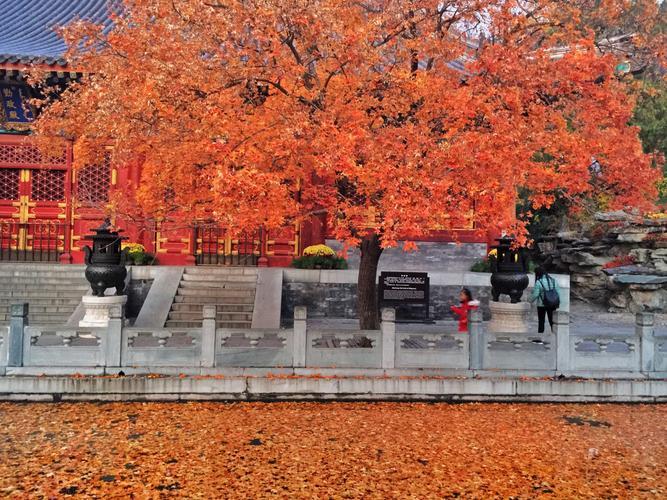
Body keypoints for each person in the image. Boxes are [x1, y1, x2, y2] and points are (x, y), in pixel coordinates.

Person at [529, 266, 560, 333]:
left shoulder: (539, 282)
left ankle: (540, 340)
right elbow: (558, 293)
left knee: (541, 321)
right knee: (552, 321)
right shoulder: (553, 280)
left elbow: (535, 294)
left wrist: (529, 301)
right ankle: (555, 337)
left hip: (541, 305)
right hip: (552, 303)